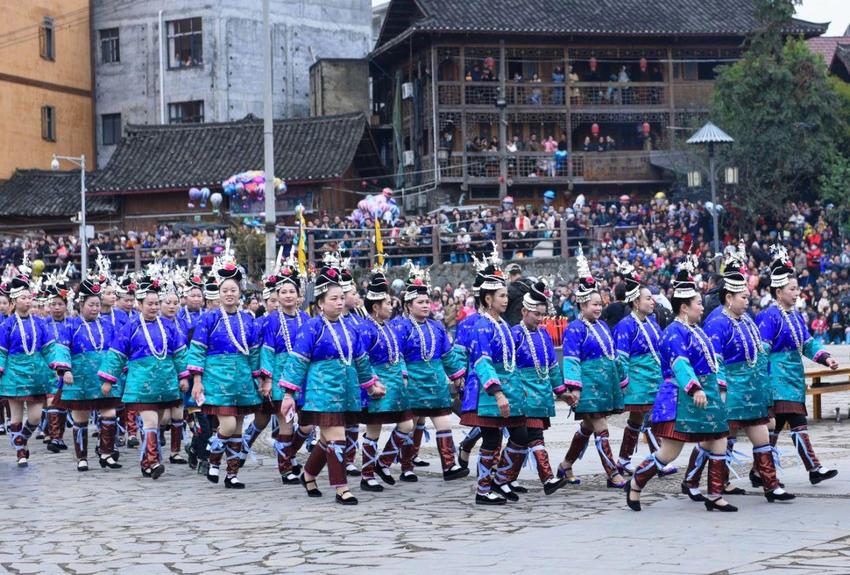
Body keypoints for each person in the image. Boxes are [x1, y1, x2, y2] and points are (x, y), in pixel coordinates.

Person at [626, 256, 734, 512]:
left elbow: (712, 361)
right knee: (668, 454)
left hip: (705, 393)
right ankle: (636, 483)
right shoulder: (674, 332)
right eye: (698, 303)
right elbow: (680, 364)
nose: (702, 307)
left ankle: (715, 495)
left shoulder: (698, 329)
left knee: (718, 440)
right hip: (680, 397)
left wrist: (718, 386)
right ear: (684, 308)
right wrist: (694, 387)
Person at [278, 263, 384, 505]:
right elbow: (298, 361)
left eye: (341, 298)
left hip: (346, 389)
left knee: (328, 440)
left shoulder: (351, 327)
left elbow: (361, 360)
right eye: (333, 298)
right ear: (320, 303)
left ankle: (308, 474)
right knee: (337, 437)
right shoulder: (311, 327)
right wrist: (288, 394)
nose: (339, 302)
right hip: (322, 391)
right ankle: (342, 487)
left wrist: (371, 386)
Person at [699, 245, 794, 502]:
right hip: (731, 391)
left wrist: (767, 385)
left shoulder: (748, 320)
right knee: (717, 442)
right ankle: (702, 484)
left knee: (762, 437)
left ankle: (771, 486)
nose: (748, 300)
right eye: (743, 296)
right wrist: (719, 390)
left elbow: (760, 355)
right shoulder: (717, 322)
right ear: (729, 297)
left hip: (752, 390)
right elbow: (713, 359)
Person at [756, 244, 839, 485]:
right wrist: (762, 384)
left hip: (793, 378)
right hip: (776, 381)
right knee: (787, 426)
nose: (797, 293)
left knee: (783, 428)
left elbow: (808, 344)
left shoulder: (795, 316)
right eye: (792, 289)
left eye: (797, 289)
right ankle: (809, 468)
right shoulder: (768, 316)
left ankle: (762, 471)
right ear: (778, 291)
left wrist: (826, 358)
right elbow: (762, 353)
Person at [188, 247, 266, 489]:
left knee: (238, 430)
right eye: (225, 290)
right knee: (228, 425)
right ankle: (213, 458)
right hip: (217, 379)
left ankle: (231, 474)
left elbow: (254, 353)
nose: (229, 293)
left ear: (240, 292)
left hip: (242, 380)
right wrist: (198, 381)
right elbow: (198, 350)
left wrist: (260, 378)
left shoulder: (247, 319)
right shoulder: (208, 319)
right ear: (218, 294)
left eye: (233, 289)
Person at [98, 274, 189, 479]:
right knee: (149, 422)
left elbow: (180, 353)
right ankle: (155, 461)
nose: (154, 307)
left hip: (165, 383)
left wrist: (183, 376)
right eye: (150, 304)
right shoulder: (130, 327)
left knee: (158, 422)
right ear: (139, 304)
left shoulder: (168, 326)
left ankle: (146, 463)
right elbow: (117, 355)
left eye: (157, 303)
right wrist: (108, 380)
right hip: (141, 383)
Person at [556, 246, 626, 488]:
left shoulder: (603, 326)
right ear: (583, 305)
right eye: (593, 304)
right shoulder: (576, 328)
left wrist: (621, 380)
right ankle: (613, 473)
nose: (598, 307)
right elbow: (572, 359)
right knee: (601, 428)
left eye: (600, 304)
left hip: (603, 387)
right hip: (587, 389)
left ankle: (565, 466)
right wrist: (574, 388)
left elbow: (613, 356)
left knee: (587, 428)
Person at [462, 253, 528, 504]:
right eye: (501, 295)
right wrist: (498, 392)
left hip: (510, 389)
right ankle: (483, 491)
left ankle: (500, 480)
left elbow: (512, 362)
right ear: (488, 299)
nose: (506, 299)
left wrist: (518, 388)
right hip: (491, 394)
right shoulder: (482, 326)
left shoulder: (502, 324)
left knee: (521, 436)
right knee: (492, 439)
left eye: (505, 295)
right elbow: (482, 362)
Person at [395, 261, 468, 482]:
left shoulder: (436, 326)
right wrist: (403, 377)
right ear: (409, 305)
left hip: (436, 382)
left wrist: (458, 376)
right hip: (413, 383)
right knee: (411, 425)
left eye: (427, 301)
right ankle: (406, 466)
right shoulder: (401, 327)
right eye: (420, 302)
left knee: (444, 423)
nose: (426, 305)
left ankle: (449, 466)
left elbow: (447, 355)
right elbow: (396, 357)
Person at [0, 258, 70, 467]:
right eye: (23, 298)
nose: (27, 301)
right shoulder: (7, 325)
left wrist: (57, 365)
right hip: (13, 372)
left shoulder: (40, 323)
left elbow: (49, 348)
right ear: (14, 301)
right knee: (15, 415)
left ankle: (21, 438)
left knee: (35, 417)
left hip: (37, 373)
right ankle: (21, 451)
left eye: (29, 297)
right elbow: (1, 350)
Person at [613, 262, 677, 477]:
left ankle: (622, 460)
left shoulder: (652, 322)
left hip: (653, 378)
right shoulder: (625, 325)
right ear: (635, 302)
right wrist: (625, 383)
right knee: (650, 418)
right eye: (648, 298)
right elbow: (620, 358)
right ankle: (658, 459)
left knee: (636, 421)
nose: (653, 301)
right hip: (638, 382)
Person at [53, 275, 122, 471]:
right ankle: (81, 457)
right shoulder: (71, 325)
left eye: (97, 305)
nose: (95, 308)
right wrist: (65, 369)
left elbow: (115, 352)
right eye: (91, 304)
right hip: (79, 378)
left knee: (109, 414)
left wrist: (113, 374)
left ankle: (106, 453)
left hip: (102, 378)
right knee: (80, 418)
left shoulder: (108, 326)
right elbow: (62, 348)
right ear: (81, 303)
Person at [358, 266, 415, 492]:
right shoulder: (365, 329)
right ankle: (367, 475)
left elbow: (398, 354)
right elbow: (361, 360)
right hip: (377, 385)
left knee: (406, 425)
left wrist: (403, 374)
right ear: (375, 307)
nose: (392, 307)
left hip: (395, 385)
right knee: (374, 430)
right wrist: (372, 383)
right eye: (387, 304)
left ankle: (383, 462)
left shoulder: (389, 327)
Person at [259, 253, 311, 485]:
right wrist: (267, 379)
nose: (288, 295)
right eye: (283, 292)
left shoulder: (307, 320)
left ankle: (288, 455)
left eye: (292, 291)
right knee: (286, 422)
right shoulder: (271, 320)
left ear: (299, 296)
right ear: (277, 296)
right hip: (281, 375)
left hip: (304, 376)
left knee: (308, 424)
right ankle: (285, 469)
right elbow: (267, 351)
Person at [512, 281, 568, 495]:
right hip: (524, 394)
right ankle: (547, 478)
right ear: (524, 311)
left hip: (541, 393)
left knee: (525, 439)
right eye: (536, 314)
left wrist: (562, 392)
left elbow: (553, 368)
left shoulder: (544, 335)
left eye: (542, 314)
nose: (540, 318)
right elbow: (509, 368)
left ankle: (504, 477)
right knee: (533, 435)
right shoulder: (515, 334)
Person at [42, 270, 72, 453]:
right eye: (53, 304)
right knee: (53, 401)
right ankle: (55, 437)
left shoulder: (73, 324)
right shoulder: (43, 325)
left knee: (63, 404)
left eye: (60, 304)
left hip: (69, 370)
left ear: (66, 305)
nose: (56, 307)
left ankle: (58, 435)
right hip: (49, 370)